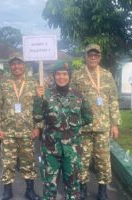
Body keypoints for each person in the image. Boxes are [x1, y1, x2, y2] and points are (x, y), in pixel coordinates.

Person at [33, 62, 93, 200]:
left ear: (69, 76)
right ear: (54, 76)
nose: (61, 77)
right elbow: (37, 118)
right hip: (50, 150)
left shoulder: (78, 96)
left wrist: (73, 126)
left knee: (72, 186)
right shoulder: (45, 94)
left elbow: (88, 117)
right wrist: (38, 98)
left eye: (64, 74)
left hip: (72, 150)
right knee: (49, 186)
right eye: (58, 74)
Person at [71, 44, 121, 200]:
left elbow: (113, 100)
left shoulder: (107, 75)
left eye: (96, 55)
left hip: (102, 127)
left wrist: (115, 124)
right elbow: (72, 100)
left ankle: (102, 191)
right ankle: (83, 189)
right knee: (82, 160)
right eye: (90, 55)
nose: (93, 57)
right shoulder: (77, 75)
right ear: (85, 56)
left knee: (103, 161)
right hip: (83, 127)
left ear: (99, 57)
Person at [0, 53, 40, 200]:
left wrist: (38, 126)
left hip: (27, 131)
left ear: (24, 65)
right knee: (8, 162)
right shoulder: (3, 83)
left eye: (19, 63)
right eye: (13, 64)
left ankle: (30, 190)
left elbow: (39, 108)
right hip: (8, 131)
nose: (16, 66)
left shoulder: (33, 83)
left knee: (29, 162)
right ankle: (8, 190)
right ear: (9, 66)